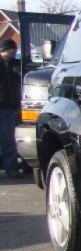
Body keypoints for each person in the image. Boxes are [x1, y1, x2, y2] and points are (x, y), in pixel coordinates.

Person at [0, 38, 26, 178]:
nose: (15, 52)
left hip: (14, 105)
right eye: (13, 49)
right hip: (5, 106)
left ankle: (22, 166)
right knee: (8, 139)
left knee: (16, 138)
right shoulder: (8, 65)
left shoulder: (16, 64)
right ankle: (12, 169)